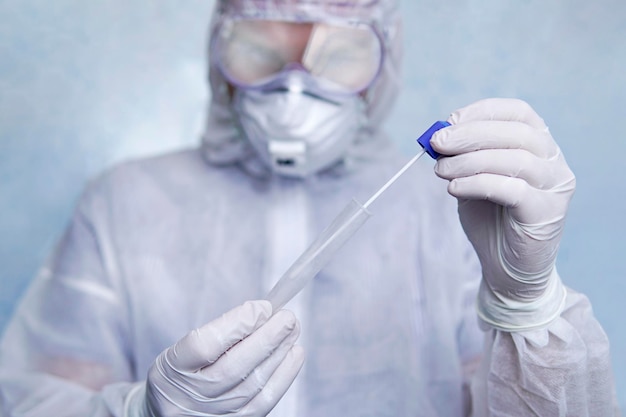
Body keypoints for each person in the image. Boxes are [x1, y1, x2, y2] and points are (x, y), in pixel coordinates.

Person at [0, 0, 620, 416]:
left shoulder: (449, 204)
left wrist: (527, 300)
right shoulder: (126, 201)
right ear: (220, 54)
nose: (294, 85)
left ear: (383, 64)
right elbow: (28, 397)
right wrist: (145, 410)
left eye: (338, 56)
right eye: (261, 49)